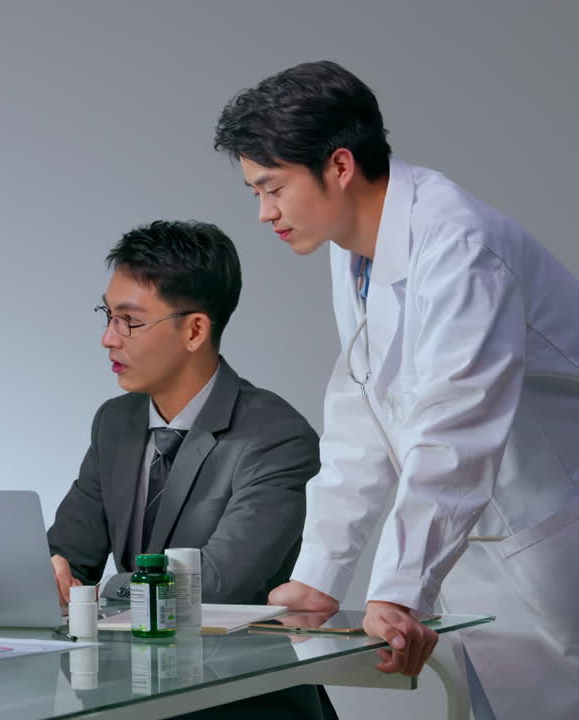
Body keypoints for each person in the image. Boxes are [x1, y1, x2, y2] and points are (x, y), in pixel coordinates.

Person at [214, 60, 579, 717]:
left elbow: (454, 432)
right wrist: (317, 578)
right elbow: (362, 418)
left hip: (549, 545)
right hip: (483, 555)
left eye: (271, 188)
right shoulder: (354, 249)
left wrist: (399, 590)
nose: (264, 212)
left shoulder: (460, 245)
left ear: (340, 166)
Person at [47, 221, 333, 719]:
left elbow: (217, 587)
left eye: (128, 321)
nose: (107, 339)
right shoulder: (115, 423)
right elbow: (68, 554)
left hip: (241, 701)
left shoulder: (277, 437)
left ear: (195, 330)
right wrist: (48, 573)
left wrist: (89, 595)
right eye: (107, 315)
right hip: (129, 692)